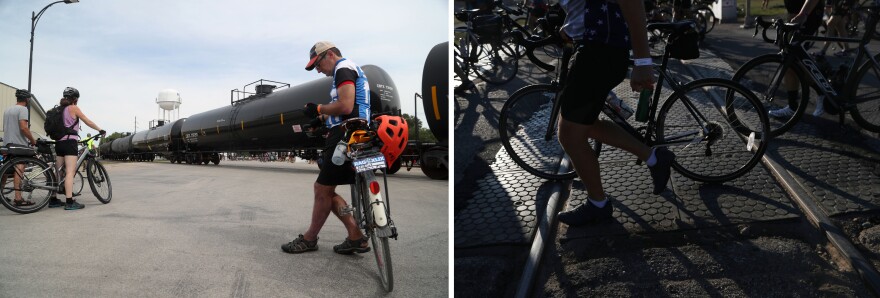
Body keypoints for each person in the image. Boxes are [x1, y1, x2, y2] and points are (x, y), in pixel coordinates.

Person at [554, 0, 675, 226]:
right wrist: (569, 25)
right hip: (594, 49)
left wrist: (643, 61)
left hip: (599, 52)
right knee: (584, 126)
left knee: (569, 134)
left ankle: (598, 204)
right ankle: (654, 158)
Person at [282, 41, 372, 254]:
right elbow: (347, 107)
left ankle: (310, 239)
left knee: (322, 189)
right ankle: (355, 235)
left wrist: (319, 107)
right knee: (327, 189)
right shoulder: (349, 70)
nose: (318, 70)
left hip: (345, 135)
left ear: (329, 54)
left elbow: (347, 105)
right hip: (356, 133)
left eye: (318, 64)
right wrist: (320, 118)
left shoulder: (343, 68)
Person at [47, 87, 105, 210]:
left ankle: (53, 199)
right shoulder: (73, 108)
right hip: (69, 143)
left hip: (59, 143)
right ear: (75, 99)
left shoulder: (58, 109)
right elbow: (87, 121)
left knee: (58, 171)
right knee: (69, 172)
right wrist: (99, 129)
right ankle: (69, 202)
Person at [768, 0, 825, 118]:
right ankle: (792, 106)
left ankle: (822, 91)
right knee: (788, 62)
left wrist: (803, 14)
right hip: (793, 18)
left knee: (795, 61)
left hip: (808, 17)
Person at [2, 89, 39, 206]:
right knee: (19, 169)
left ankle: (0, 195)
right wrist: (33, 141)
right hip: (18, 144)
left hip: (7, 144)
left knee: (5, 171)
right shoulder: (23, 109)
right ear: (27, 99)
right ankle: (18, 198)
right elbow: (23, 128)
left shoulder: (7, 110)